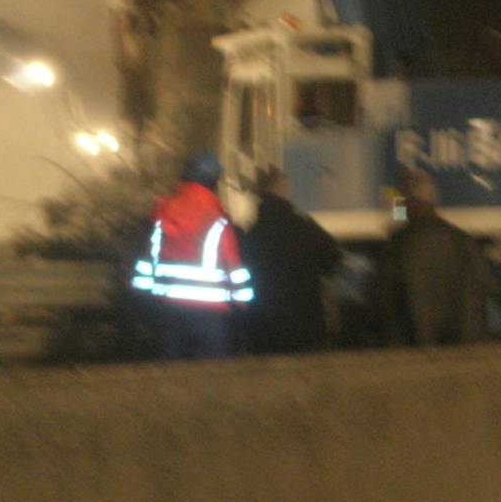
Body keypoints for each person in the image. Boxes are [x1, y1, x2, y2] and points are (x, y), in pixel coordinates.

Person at [128, 150, 251, 359]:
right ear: (214, 181)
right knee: (211, 372)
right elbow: (233, 265)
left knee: (169, 371)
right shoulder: (216, 218)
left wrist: (143, 297)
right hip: (209, 315)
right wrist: (242, 301)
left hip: (168, 309)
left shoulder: (163, 211)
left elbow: (148, 259)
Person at [373, 167, 493, 346]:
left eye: (401, 203)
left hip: (415, 346)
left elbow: (384, 298)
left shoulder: (399, 244)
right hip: (461, 345)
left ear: (410, 203)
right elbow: (480, 290)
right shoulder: (461, 240)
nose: (398, 208)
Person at [238, 166, 342, 354]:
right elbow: (334, 258)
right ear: (282, 189)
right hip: (305, 330)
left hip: (264, 331)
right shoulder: (304, 227)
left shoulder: (251, 235)